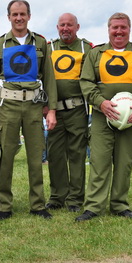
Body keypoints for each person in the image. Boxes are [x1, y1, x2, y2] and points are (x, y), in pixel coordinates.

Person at [76, 12, 132, 221]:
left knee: (125, 162)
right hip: (101, 116)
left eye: (123, 27)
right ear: (108, 29)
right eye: (115, 27)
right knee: (99, 160)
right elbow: (86, 82)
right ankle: (94, 206)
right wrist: (100, 102)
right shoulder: (96, 53)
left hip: (131, 118)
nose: (119, 31)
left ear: (129, 29)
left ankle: (120, 205)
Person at [0, 0, 57, 221]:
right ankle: (4, 206)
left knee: (35, 157)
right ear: (8, 17)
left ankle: (37, 204)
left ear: (29, 16)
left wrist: (51, 109)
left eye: (22, 14)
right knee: (6, 157)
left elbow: (49, 78)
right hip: (8, 106)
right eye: (14, 14)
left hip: (34, 106)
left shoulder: (41, 43)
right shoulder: (0, 44)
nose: (19, 18)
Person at [45, 13, 92, 212]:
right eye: (62, 25)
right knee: (54, 154)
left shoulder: (87, 48)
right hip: (54, 110)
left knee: (77, 154)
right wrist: (46, 108)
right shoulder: (50, 48)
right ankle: (57, 197)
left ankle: (75, 199)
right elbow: (41, 77)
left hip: (77, 109)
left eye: (69, 25)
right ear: (57, 27)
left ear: (77, 27)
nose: (65, 28)